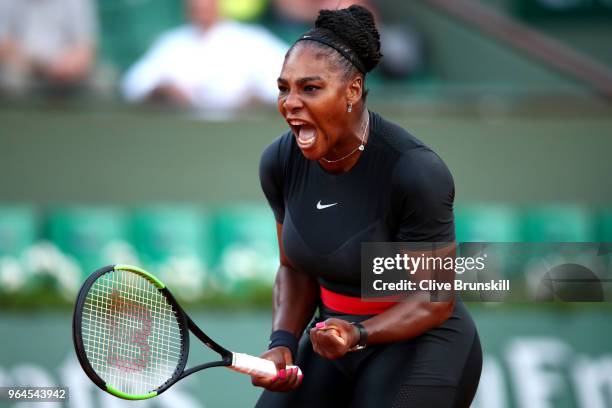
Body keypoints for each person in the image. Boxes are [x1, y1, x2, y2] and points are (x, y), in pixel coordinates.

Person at [252, 5, 482, 407]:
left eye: (310, 88)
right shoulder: (279, 162)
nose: (290, 102)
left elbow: (436, 298)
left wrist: (358, 334)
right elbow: (294, 268)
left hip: (423, 344)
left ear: (353, 90)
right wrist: (283, 341)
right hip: (333, 342)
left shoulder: (414, 171)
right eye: (283, 88)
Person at [121, 0, 288, 111]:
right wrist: (164, 89)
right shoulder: (172, 43)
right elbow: (134, 84)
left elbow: (289, 78)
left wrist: (256, 97)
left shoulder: (252, 39)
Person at [0, 0, 97, 96]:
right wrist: (33, 62)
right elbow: (3, 44)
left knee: (103, 82)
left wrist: (65, 67)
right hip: (21, 67)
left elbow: (85, 50)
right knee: (10, 80)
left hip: (65, 71)